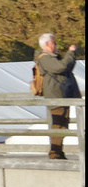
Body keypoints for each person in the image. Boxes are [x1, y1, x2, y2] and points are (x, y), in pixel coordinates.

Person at [35, 33, 81, 161]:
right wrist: (70, 53)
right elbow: (61, 67)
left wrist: (71, 56)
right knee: (58, 125)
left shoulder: (52, 57)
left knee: (62, 124)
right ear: (48, 44)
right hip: (57, 96)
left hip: (62, 95)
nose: (56, 45)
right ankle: (55, 153)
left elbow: (66, 67)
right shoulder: (45, 58)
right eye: (54, 43)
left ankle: (58, 152)